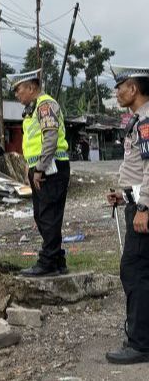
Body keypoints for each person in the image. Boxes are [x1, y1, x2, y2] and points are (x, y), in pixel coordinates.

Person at [105, 66, 149, 364]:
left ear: (133, 89)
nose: (117, 92)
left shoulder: (146, 122)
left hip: (144, 209)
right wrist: (125, 194)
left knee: (134, 270)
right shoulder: (139, 121)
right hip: (137, 201)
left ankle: (140, 344)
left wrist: (143, 207)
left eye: (120, 87)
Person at [9, 69, 70, 277]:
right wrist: (31, 167)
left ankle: (48, 262)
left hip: (50, 167)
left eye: (19, 90)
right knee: (43, 214)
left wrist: (40, 168)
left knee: (48, 215)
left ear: (31, 87)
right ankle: (57, 258)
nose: (17, 94)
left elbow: (50, 138)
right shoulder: (33, 109)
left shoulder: (45, 106)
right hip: (42, 168)